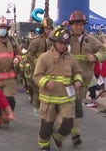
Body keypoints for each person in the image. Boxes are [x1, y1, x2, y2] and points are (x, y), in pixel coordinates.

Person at [60, 11, 106, 146]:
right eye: (75, 24)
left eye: (80, 24)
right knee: (66, 107)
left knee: (76, 107)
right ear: (71, 25)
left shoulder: (90, 40)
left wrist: (96, 57)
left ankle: (74, 133)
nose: (78, 27)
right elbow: (51, 44)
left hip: (84, 80)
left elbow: (104, 51)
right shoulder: (65, 37)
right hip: (66, 79)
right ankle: (59, 132)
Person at [33, 27, 83, 151]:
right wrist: (45, 82)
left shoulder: (71, 58)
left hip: (66, 98)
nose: (62, 46)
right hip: (48, 99)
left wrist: (77, 80)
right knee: (46, 126)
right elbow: (37, 76)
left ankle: (57, 137)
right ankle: (44, 146)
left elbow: (77, 72)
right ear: (55, 42)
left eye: (65, 44)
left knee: (67, 123)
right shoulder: (44, 58)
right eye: (60, 43)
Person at [24, 17, 54, 115]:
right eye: (46, 28)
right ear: (43, 29)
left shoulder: (55, 41)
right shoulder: (36, 41)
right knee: (38, 91)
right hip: (37, 70)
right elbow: (29, 56)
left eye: (50, 28)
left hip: (51, 71)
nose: (48, 30)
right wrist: (38, 62)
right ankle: (37, 106)